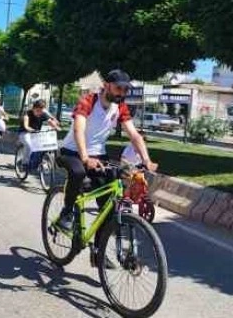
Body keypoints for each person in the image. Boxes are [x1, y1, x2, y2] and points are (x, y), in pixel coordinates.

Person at [57, 70, 158, 260]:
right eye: (118, 88)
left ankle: (98, 251)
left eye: (125, 89)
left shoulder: (120, 107)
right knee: (78, 172)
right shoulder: (88, 101)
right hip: (72, 151)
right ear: (106, 85)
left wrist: (146, 160)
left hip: (98, 155)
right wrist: (85, 157)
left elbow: (134, 135)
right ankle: (66, 213)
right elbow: (79, 129)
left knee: (109, 206)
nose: (122, 93)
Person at [18, 99, 60, 166]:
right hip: (24, 133)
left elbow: (50, 121)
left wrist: (56, 127)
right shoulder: (27, 113)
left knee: (43, 146)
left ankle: (39, 162)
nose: (39, 113)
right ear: (33, 108)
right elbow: (26, 126)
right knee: (29, 145)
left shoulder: (43, 114)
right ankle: (24, 162)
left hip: (36, 134)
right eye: (37, 111)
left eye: (41, 111)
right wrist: (29, 129)